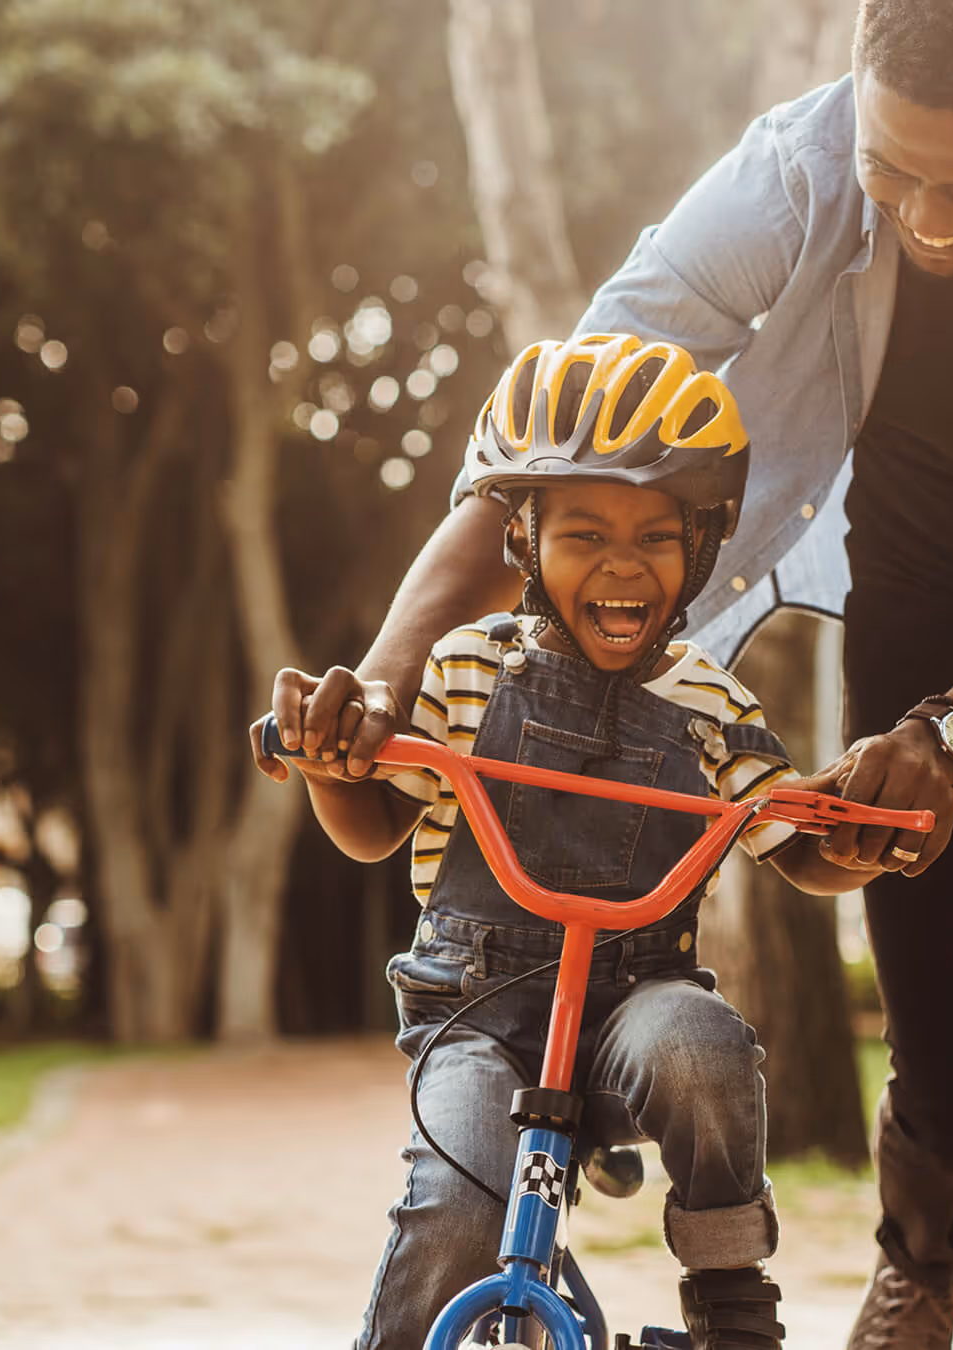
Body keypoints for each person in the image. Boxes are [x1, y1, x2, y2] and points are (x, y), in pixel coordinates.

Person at [262, 0, 953, 1343]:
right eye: (899, 175)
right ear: (857, 97)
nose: (932, 224)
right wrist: (397, 663)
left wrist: (952, 735)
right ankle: (926, 1245)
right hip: (933, 594)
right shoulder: (792, 167)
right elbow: (580, 412)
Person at [261, 334, 884, 1350]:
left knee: (704, 1044)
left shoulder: (710, 705)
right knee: (459, 1205)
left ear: (705, 544)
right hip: (479, 1015)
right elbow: (375, 826)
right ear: (522, 540)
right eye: (584, 532)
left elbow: (792, 839)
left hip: (632, 1012)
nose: (623, 565)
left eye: (657, 535)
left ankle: (732, 1300)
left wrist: (854, 835)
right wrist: (335, 766)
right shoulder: (468, 670)